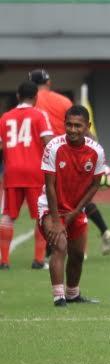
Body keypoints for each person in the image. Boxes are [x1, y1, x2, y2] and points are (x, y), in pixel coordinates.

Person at [29, 69, 110, 256]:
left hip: (47, 156)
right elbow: (84, 129)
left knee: (46, 205)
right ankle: (87, 242)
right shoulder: (63, 101)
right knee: (76, 200)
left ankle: (45, 254)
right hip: (75, 155)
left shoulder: (32, 103)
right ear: (49, 83)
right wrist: (97, 155)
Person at [39, 105, 105, 306]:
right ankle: (59, 297)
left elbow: (95, 185)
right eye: (69, 124)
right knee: (60, 246)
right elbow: (50, 186)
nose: (73, 129)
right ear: (64, 124)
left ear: (88, 126)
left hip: (76, 209)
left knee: (77, 254)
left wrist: (76, 212)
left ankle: (73, 294)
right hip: (51, 208)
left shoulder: (97, 152)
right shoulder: (53, 147)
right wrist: (58, 220)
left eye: (78, 125)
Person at [0, 81, 54, 269]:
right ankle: (38, 260)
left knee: (8, 215)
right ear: (36, 97)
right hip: (35, 173)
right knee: (42, 215)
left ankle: (4, 260)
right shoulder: (40, 115)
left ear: (17, 96)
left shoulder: (5, 117)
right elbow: (48, 141)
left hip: (12, 172)